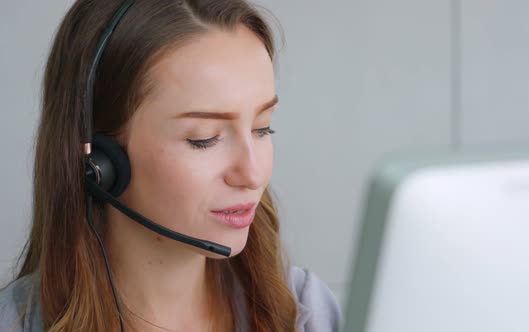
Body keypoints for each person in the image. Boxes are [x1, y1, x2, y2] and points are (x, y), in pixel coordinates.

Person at [0, 0, 342, 331]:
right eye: (203, 138)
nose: (253, 175)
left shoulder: (306, 313)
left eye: (262, 128)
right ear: (100, 163)